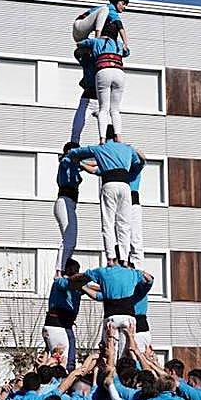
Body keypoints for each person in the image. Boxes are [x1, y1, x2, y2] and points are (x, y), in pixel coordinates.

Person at [62, 129, 145, 264]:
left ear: (104, 136)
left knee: (108, 222)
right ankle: (124, 259)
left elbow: (81, 152)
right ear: (117, 135)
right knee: (123, 225)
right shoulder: (127, 149)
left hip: (109, 185)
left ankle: (111, 258)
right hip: (125, 187)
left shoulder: (101, 148)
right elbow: (139, 162)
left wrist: (70, 155)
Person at [71, 262, 152, 358]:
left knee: (121, 353)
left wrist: (82, 284)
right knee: (126, 355)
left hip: (137, 327)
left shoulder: (138, 288)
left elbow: (149, 279)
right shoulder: (131, 290)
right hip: (135, 324)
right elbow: (99, 295)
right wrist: (85, 287)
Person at [81, 18, 129, 142]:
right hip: (119, 72)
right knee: (115, 109)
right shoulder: (118, 43)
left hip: (103, 71)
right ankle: (118, 136)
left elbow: (79, 44)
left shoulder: (95, 41)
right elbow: (127, 52)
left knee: (103, 109)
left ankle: (102, 138)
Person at [43, 259, 90, 372]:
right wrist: (89, 276)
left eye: (77, 270)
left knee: (70, 357)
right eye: (73, 269)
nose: (76, 272)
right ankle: (58, 380)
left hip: (65, 325)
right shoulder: (60, 282)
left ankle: (67, 376)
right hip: (57, 324)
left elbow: (91, 289)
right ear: (66, 270)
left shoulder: (77, 287)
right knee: (61, 358)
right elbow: (71, 283)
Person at [52, 143, 90, 276]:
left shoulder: (74, 165)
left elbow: (88, 165)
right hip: (64, 201)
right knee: (69, 239)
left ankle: (64, 266)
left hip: (70, 203)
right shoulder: (66, 161)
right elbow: (71, 159)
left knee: (71, 241)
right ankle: (59, 271)